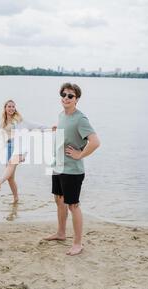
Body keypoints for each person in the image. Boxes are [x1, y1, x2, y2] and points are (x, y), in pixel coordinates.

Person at [44, 83, 100, 256]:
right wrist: (57, 128)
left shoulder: (80, 118)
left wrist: (80, 155)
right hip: (58, 166)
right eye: (64, 94)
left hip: (73, 171)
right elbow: (67, 131)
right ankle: (61, 233)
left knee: (73, 206)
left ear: (76, 99)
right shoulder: (62, 115)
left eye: (70, 96)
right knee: (59, 200)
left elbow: (95, 142)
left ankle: (78, 243)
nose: (66, 98)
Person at [0, 95, 52, 203]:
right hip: (9, 148)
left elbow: (37, 126)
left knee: (10, 164)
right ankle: (16, 199)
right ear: (5, 108)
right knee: (10, 177)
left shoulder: (21, 121)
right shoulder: (1, 120)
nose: (11, 108)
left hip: (20, 147)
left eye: (13, 107)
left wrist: (50, 129)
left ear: (15, 109)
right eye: (9, 106)